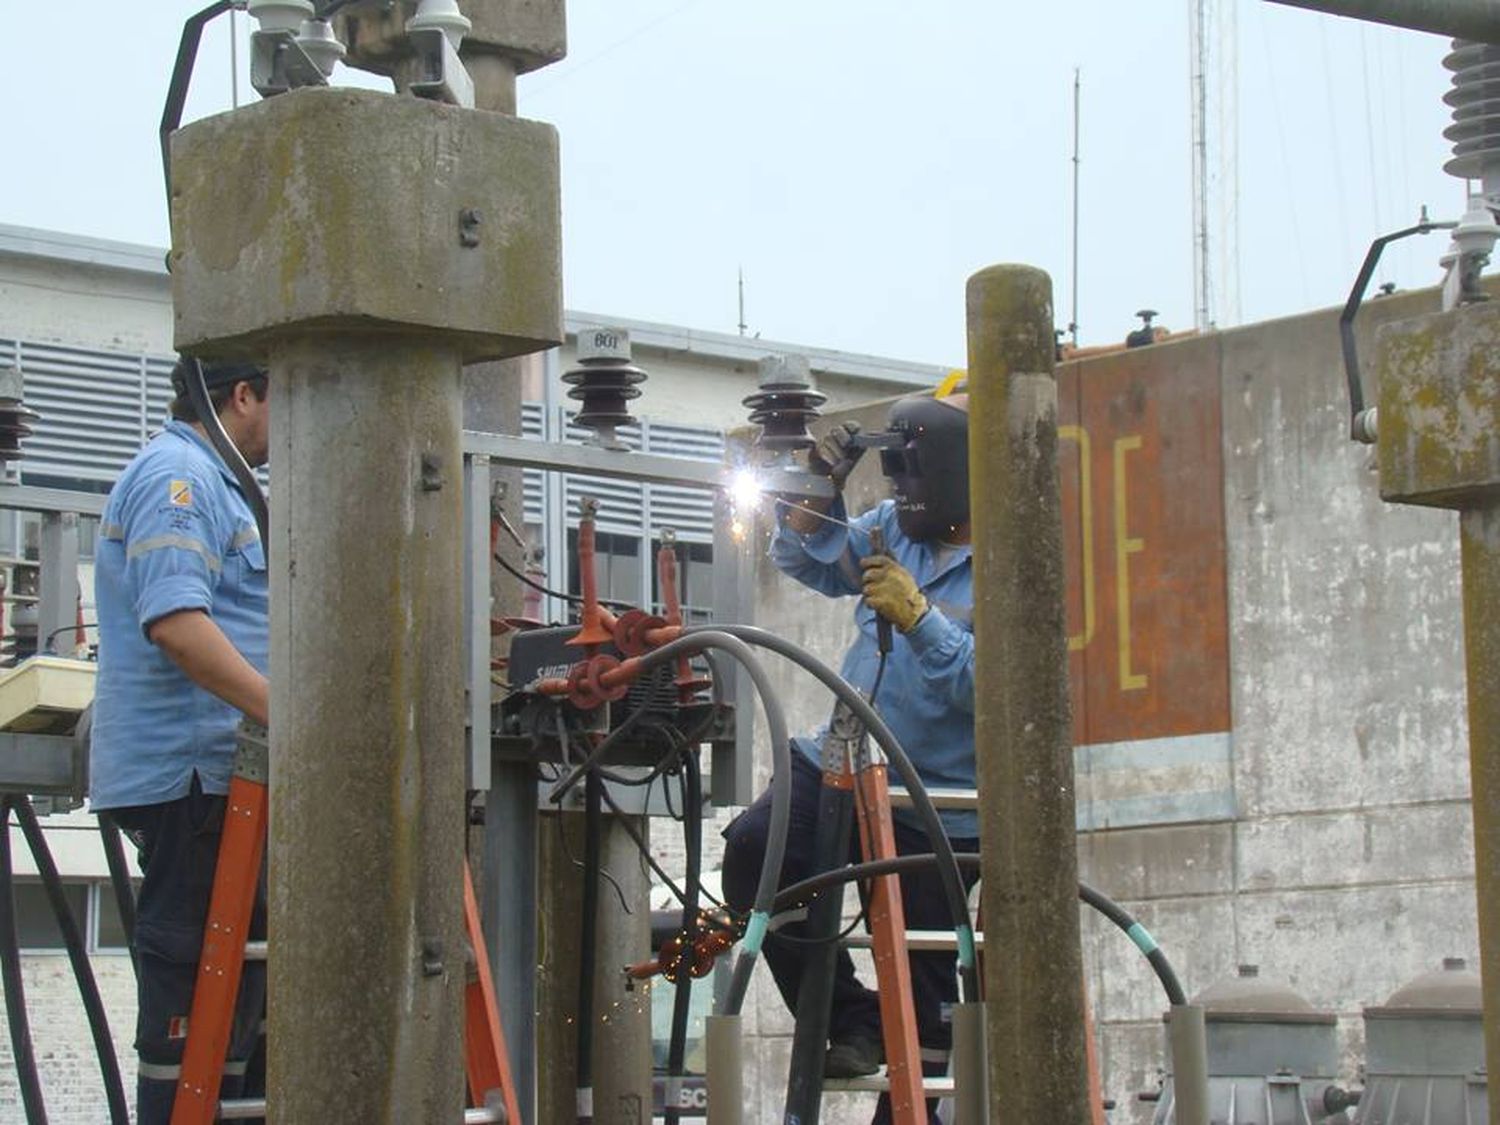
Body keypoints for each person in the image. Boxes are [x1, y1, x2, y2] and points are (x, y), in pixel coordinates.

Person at [721, 393, 979, 1125]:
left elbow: (993, 691)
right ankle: (849, 1014)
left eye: (911, 479)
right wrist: (820, 482)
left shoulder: (1014, 561)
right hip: (844, 763)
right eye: (893, 478)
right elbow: (801, 551)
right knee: (754, 854)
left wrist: (920, 619)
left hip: (938, 807)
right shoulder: (892, 527)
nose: (899, 497)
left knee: (927, 1025)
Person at [89, 357, 271, 1123]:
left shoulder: (219, 484)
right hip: (194, 783)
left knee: (234, 1015)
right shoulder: (180, 480)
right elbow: (178, 626)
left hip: (224, 780)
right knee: (194, 1009)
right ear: (240, 395)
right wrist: (296, 721)